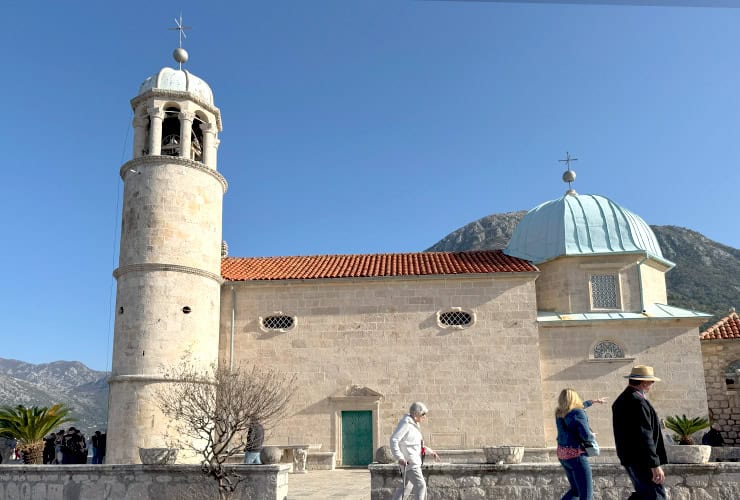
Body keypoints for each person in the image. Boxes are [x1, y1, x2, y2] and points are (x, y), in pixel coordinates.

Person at [612, 365, 667, 500]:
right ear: (644, 382)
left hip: (629, 457)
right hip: (642, 459)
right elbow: (644, 434)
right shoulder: (638, 402)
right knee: (656, 496)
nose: (652, 385)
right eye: (651, 382)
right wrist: (654, 464)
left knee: (643, 494)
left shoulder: (621, 400)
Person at [555, 389, 607, 500]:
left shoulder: (559, 412)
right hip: (576, 455)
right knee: (586, 494)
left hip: (563, 455)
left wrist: (593, 401)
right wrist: (592, 435)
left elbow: (580, 406)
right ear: (575, 398)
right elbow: (586, 435)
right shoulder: (578, 412)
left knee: (576, 491)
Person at [389, 402, 440, 500]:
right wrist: (399, 457)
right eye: (423, 414)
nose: (424, 417)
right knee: (421, 485)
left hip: (412, 461)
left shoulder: (414, 425)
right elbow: (393, 439)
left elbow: (418, 445)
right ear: (416, 414)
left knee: (405, 488)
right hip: (410, 462)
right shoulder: (406, 424)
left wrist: (430, 452)